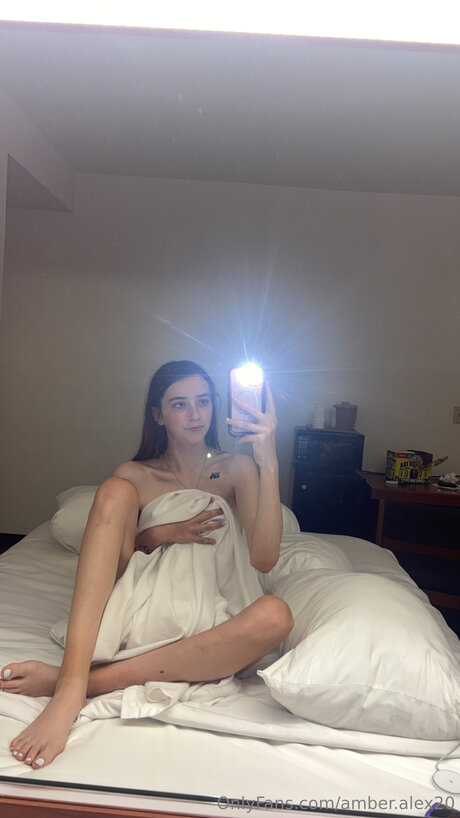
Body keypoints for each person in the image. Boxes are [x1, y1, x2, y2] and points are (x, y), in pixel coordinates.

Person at [0, 360, 293, 769]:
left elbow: (264, 558)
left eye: (203, 401)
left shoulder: (236, 468)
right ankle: (70, 688)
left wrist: (268, 459)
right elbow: (119, 555)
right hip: (143, 605)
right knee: (114, 490)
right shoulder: (134, 475)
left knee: (276, 616)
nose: (194, 414)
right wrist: (158, 534)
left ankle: (76, 682)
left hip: (214, 617)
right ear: (158, 415)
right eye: (179, 404)